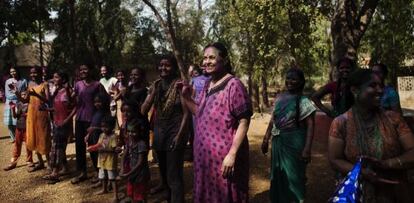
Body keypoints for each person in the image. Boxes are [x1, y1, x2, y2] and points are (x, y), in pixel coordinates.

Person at [179, 42, 253, 202]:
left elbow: (244, 121)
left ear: (224, 60)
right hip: (205, 159)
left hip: (224, 160)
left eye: (212, 57)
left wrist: (232, 154)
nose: (206, 62)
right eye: (205, 58)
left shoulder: (234, 85)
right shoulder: (206, 84)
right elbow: (199, 112)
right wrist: (186, 98)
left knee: (226, 194)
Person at [328, 69, 414, 202]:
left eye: (381, 86)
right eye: (373, 86)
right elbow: (335, 159)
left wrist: (387, 164)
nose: (380, 90)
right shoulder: (340, 123)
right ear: (355, 90)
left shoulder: (394, 119)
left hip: (395, 193)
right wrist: (362, 172)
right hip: (358, 194)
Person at [261, 68, 316, 203]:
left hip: (295, 143)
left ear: (301, 82)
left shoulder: (303, 101)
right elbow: (273, 119)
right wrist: (266, 138)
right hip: (278, 142)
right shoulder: (280, 98)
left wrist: (307, 149)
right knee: (279, 174)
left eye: (293, 79)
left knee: (295, 175)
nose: (289, 81)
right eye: (288, 78)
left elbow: (310, 125)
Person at [141, 55, 189, 203]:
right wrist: (153, 92)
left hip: (175, 133)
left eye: (167, 65)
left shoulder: (179, 85)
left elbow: (187, 113)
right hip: (160, 134)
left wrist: (180, 136)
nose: (163, 68)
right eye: (161, 65)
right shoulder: (156, 86)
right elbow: (143, 110)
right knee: (164, 173)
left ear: (173, 67)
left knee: (174, 176)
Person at [71, 63, 104, 184]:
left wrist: (102, 118)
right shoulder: (78, 84)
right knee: (79, 147)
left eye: (85, 69)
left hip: (92, 120)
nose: (83, 71)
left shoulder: (97, 85)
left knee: (93, 147)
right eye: (81, 69)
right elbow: (72, 100)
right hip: (79, 119)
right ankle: (82, 173)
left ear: (90, 70)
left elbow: (105, 100)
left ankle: (98, 173)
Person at [43, 71, 76, 184]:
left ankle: (55, 173)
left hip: (64, 124)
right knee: (55, 147)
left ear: (63, 79)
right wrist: (48, 110)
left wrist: (67, 120)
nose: (54, 79)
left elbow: (75, 107)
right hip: (56, 123)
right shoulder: (56, 91)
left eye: (56, 77)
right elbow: (58, 107)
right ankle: (56, 170)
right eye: (53, 77)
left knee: (59, 148)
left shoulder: (69, 91)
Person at [87, 116, 119, 202]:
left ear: (112, 127)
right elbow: (98, 145)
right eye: (102, 126)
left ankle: (116, 196)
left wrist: (101, 149)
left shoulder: (113, 137)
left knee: (112, 178)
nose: (104, 128)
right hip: (102, 160)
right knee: (103, 176)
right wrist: (92, 147)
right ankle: (104, 189)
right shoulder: (101, 135)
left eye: (106, 126)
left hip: (110, 161)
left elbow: (114, 150)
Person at [120, 115, 151, 203]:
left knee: (139, 194)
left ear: (139, 132)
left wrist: (128, 173)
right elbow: (124, 155)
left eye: (133, 131)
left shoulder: (141, 144)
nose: (130, 134)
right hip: (132, 171)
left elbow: (140, 162)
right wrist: (122, 168)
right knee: (132, 192)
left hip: (140, 173)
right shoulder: (130, 141)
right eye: (129, 131)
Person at [26, 66, 51, 172]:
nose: (33, 75)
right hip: (31, 114)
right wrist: (17, 93)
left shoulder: (45, 84)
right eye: (31, 73)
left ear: (40, 73)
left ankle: (49, 163)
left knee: (44, 137)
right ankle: (40, 162)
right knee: (34, 137)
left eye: (35, 73)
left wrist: (36, 94)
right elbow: (26, 100)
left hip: (42, 114)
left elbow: (47, 100)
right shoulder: (29, 85)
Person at [3, 90, 33, 171]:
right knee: (17, 144)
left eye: (25, 94)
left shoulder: (30, 105)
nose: (23, 96)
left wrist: (25, 114)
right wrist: (12, 109)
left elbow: (31, 115)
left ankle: (29, 161)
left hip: (27, 127)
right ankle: (13, 161)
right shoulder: (18, 104)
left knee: (28, 145)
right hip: (19, 127)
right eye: (22, 94)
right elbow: (15, 116)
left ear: (29, 96)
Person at [85, 93, 111, 185]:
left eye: (99, 102)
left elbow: (107, 129)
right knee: (95, 158)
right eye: (95, 102)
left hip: (101, 139)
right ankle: (101, 178)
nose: (97, 104)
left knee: (102, 159)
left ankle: (106, 180)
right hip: (93, 138)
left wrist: (95, 129)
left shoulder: (106, 114)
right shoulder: (95, 112)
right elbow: (92, 124)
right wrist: (88, 135)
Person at [4, 66, 28, 143]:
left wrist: (20, 97)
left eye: (14, 71)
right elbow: (7, 94)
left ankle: (21, 136)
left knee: (19, 120)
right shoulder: (8, 81)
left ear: (17, 71)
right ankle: (12, 137)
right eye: (11, 72)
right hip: (9, 102)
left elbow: (26, 92)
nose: (12, 73)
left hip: (20, 103)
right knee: (10, 121)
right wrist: (16, 95)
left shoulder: (23, 81)